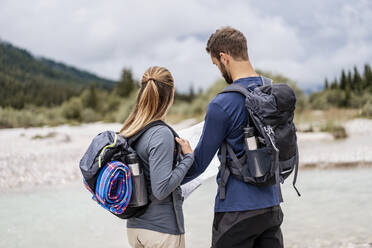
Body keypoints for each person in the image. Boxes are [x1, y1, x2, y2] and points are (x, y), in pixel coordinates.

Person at [176, 27, 284, 248]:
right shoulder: (272, 91)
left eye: (216, 64)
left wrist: (164, 184)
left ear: (224, 58)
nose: (219, 70)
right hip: (271, 208)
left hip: (236, 213)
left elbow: (199, 164)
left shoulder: (221, 104)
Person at [121, 66, 194, 248]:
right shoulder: (160, 133)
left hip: (135, 229)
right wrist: (188, 159)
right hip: (162, 233)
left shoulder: (131, 130)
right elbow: (161, 189)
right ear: (172, 94)